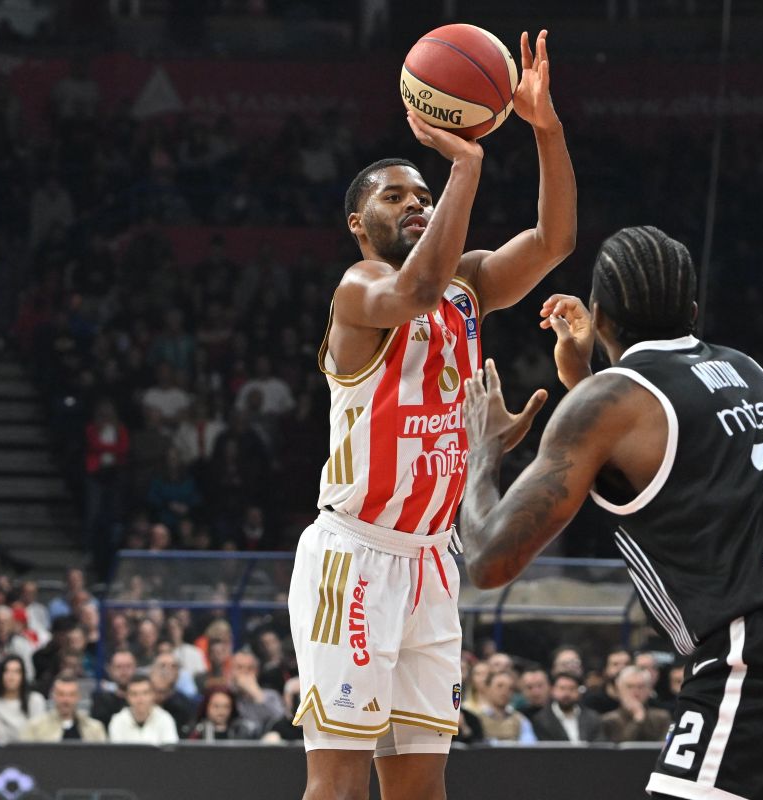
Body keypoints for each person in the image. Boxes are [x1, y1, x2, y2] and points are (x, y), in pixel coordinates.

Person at [457, 226, 763, 800]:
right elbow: (665, 450)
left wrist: (481, 449)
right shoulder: (747, 370)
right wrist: (583, 381)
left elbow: (489, 559)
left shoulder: (611, 402)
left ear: (600, 316)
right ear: (691, 310)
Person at [287, 30, 576, 800]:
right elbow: (413, 292)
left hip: (430, 563)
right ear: (358, 222)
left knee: (421, 789)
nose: (415, 202)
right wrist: (467, 164)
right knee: (341, 786)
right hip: (355, 556)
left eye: (423, 194)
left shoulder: (468, 287)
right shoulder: (359, 289)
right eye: (395, 196)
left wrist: (543, 127)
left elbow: (555, 239)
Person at [20, 671, 107, 742]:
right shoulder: (35, 727)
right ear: (54, 696)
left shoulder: (95, 729)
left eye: (71, 695)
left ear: (78, 697)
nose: (66, 700)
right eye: (61, 694)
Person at [600, 665, 672, 743]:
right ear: (619, 689)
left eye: (640, 687)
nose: (636, 692)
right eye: (629, 686)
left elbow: (663, 748)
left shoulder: (662, 718)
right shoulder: (609, 720)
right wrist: (638, 720)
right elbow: (620, 750)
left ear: (649, 689)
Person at [0, 655, 46, 742]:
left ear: (23, 676)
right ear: (1, 675)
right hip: (5, 753)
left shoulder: (36, 700)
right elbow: (0, 739)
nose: (11, 677)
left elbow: (38, 734)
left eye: (17, 672)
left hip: (34, 751)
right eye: (7, 671)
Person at [531, 671, 604, 743]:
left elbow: (599, 745)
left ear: (579, 692)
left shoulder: (592, 717)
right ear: (552, 690)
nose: (567, 694)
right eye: (562, 688)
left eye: (572, 689)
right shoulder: (541, 720)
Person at [108, 676, 179, 744]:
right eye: (134, 694)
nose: (140, 699)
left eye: (145, 693)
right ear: (127, 697)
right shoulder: (117, 720)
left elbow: (170, 752)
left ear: (153, 695)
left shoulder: (165, 719)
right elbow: (116, 754)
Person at [474, 671, 536, 743]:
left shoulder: (521, 720)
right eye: (500, 686)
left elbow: (529, 747)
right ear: (487, 689)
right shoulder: (476, 719)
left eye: (510, 688)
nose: (505, 691)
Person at [189, 687, 263, 741]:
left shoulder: (240, 731)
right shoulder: (197, 731)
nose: (221, 711)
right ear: (206, 707)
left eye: (226, 706)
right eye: (216, 706)